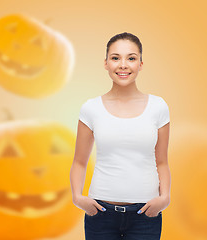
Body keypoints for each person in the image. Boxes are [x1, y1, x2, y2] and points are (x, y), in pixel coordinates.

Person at [70, 32, 171, 240]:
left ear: (141, 64)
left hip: (147, 215)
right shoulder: (91, 108)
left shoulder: (158, 106)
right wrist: (78, 198)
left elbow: (162, 161)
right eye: (115, 58)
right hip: (100, 214)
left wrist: (165, 198)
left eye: (131, 58)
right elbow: (79, 161)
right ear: (106, 63)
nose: (123, 65)